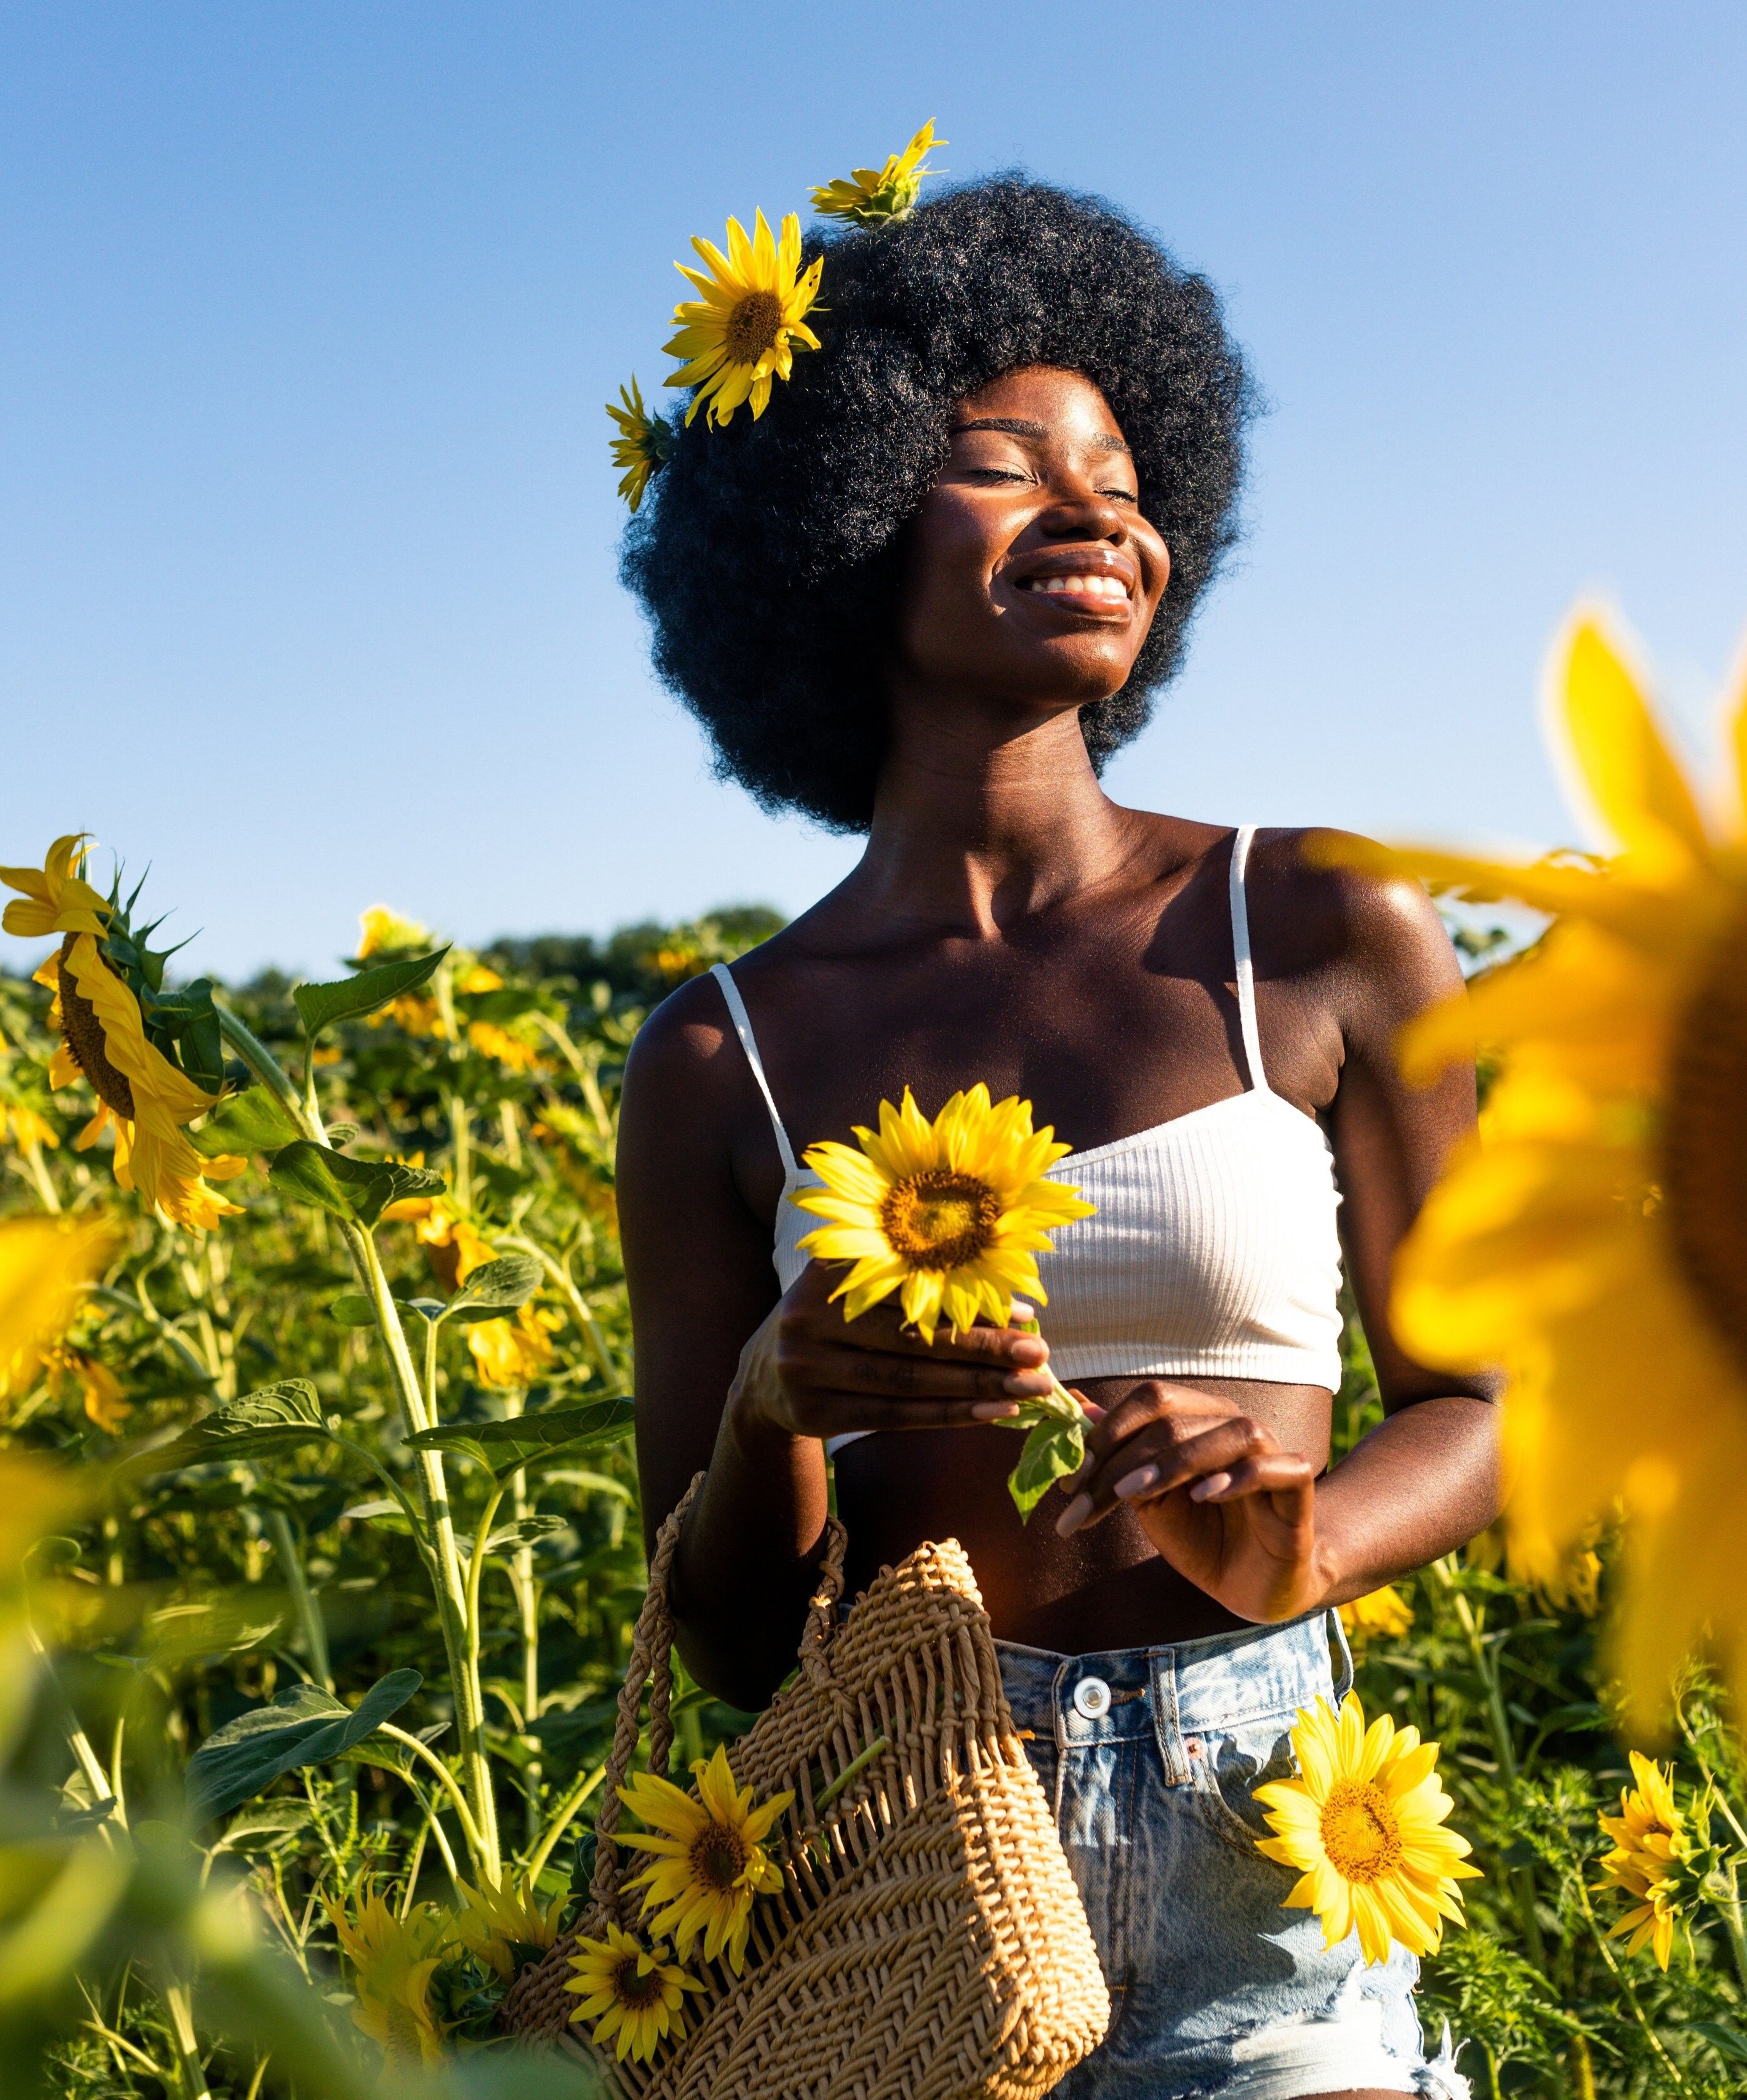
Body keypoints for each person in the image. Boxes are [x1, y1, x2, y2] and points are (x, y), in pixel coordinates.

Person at [616, 173, 1499, 2100]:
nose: (1099, 511)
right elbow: (736, 1648)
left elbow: (1498, 1395)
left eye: (1124, 474)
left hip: (1263, 1833)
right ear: (831, 522)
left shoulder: (1326, 925)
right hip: (899, 1865)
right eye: (1007, 465)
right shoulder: (720, 1055)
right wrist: (774, 1408)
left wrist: (1303, 1540)